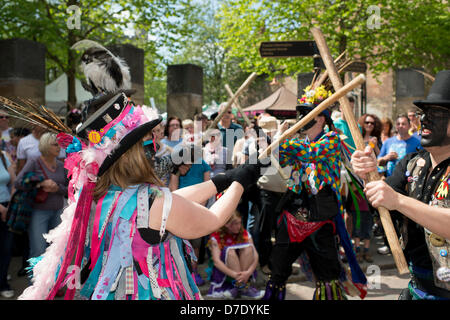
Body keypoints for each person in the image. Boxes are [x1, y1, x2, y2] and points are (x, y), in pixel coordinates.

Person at [18, 43, 262, 300]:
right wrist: (241, 182)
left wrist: (222, 181)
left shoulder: (101, 195)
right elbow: (209, 221)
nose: (154, 147)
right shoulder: (150, 201)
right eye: (147, 142)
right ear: (133, 153)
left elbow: (174, 201)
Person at [351, 70, 450, 300]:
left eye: (436, 114)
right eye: (423, 113)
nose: (424, 120)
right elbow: (381, 202)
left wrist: (398, 201)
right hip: (418, 287)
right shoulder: (412, 163)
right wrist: (368, 174)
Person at [262, 85, 367, 300]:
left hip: (321, 216)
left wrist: (282, 142)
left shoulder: (332, 140)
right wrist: (277, 141)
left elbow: (311, 154)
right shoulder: (298, 142)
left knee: (327, 273)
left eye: (307, 113)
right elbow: (280, 159)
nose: (301, 118)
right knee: (278, 268)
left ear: (320, 119)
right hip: (294, 213)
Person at [15, 132, 68, 261]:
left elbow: (69, 189)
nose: (58, 147)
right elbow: (18, 182)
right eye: (55, 145)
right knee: (38, 249)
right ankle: (36, 281)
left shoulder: (61, 166)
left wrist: (57, 188)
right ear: (45, 146)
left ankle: (53, 280)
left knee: (56, 249)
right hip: (38, 211)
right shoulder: (34, 162)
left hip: (58, 211)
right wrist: (40, 184)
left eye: (59, 144)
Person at [206, 210, 263, 299]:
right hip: (226, 271)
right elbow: (216, 261)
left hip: (244, 271)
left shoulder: (244, 233)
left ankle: (240, 286)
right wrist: (236, 275)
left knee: (248, 248)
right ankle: (241, 286)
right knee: (230, 251)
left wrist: (248, 272)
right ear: (226, 224)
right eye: (235, 223)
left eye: (240, 223)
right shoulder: (216, 236)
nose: (239, 226)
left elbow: (255, 255)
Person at [0, 147, 16, 298]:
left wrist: (9, 205)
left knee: (6, 248)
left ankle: (3, 281)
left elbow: (13, 181)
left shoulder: (4, 156)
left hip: (7, 206)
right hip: (2, 207)